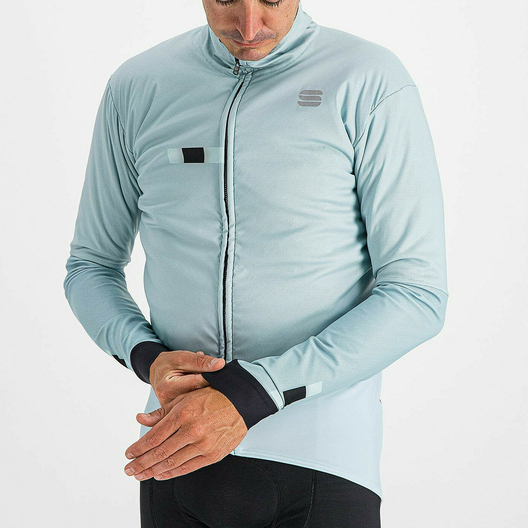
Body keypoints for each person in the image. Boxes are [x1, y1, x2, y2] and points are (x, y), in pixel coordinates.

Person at [63, 0, 449, 526]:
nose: (248, 26)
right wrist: (146, 357)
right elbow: (90, 266)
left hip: (320, 462)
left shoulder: (367, 80)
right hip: (176, 448)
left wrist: (252, 394)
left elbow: (416, 293)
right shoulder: (138, 85)